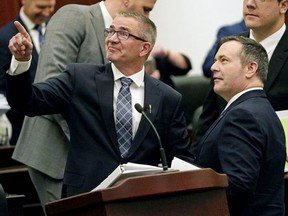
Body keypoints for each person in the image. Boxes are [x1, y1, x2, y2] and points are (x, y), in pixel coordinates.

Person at [7, 11, 194, 199]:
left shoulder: (168, 97)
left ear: (144, 48)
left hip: (143, 200)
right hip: (87, 196)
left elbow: (181, 158)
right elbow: (28, 103)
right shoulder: (79, 78)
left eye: (123, 33)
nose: (112, 39)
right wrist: (21, 62)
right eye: (110, 31)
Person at [195, 35, 286, 216]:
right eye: (215, 60)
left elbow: (238, 185)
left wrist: (194, 203)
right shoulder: (261, 108)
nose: (214, 67)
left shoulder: (242, 115)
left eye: (224, 60)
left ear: (251, 68)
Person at [192, 0, 288, 155]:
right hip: (226, 164)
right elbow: (209, 117)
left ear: (283, 5)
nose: (250, 4)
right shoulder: (228, 47)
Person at [0, 0, 56, 145]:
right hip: (22, 129)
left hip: (56, 127)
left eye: (50, 7)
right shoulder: (4, 37)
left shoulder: (58, 30)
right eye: (41, 7)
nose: (46, 12)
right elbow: (2, 86)